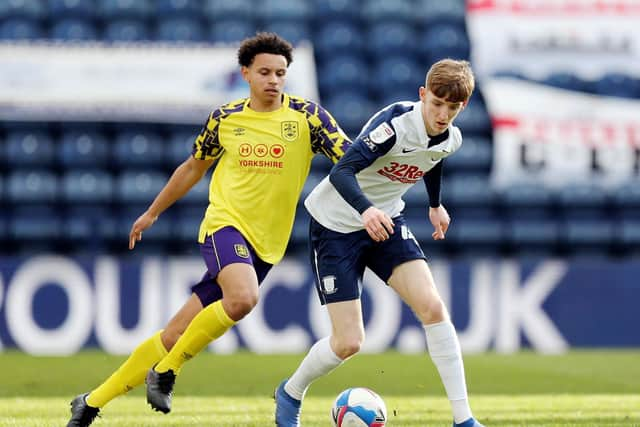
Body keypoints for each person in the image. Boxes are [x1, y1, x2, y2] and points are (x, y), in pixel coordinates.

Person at [66, 32, 351, 427]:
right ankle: (166, 372)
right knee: (243, 299)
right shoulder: (226, 119)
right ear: (246, 73)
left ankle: (90, 403)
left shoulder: (308, 118)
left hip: (266, 245)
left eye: (281, 73)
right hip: (225, 226)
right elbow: (192, 168)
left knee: (174, 333)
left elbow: (351, 160)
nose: (273, 80)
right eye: (265, 72)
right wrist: (152, 212)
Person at [274, 59, 485, 427]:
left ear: (461, 108)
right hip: (336, 224)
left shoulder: (452, 137)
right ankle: (291, 392)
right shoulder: (393, 126)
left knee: (433, 308)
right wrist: (366, 210)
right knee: (348, 342)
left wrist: (435, 205)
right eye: (436, 104)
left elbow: (432, 157)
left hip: (385, 220)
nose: (442, 114)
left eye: (451, 109)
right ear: (423, 95)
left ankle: (463, 419)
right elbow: (341, 171)